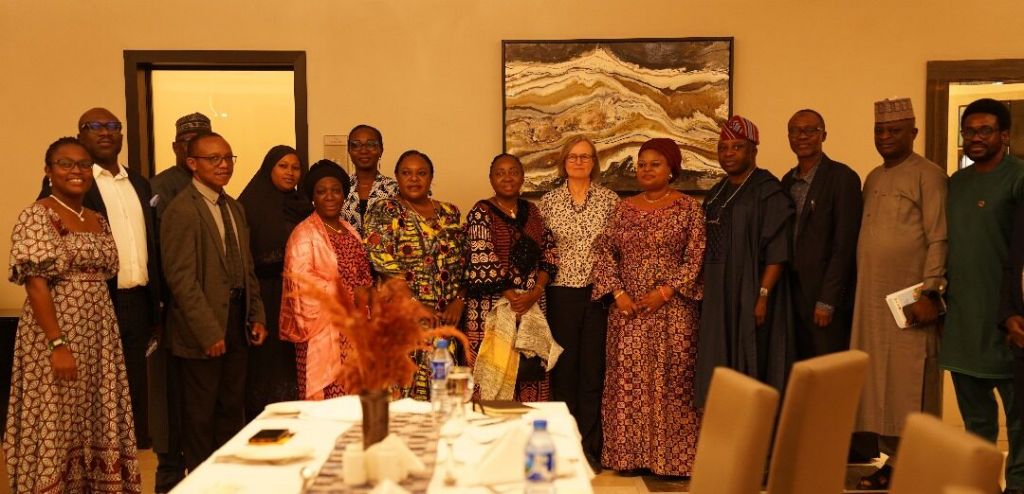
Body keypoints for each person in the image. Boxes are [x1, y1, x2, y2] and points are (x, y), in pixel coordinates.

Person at [6, 137, 141, 491]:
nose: (76, 171)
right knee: (58, 416)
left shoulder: (96, 217)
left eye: (83, 165)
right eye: (65, 164)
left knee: (95, 412)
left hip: (99, 332)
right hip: (56, 330)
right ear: (48, 171)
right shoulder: (38, 214)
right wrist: (57, 343)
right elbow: (36, 284)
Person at [37, 108, 162, 449]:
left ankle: (120, 456)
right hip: (92, 303)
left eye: (113, 126)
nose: (106, 132)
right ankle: (86, 454)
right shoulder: (69, 183)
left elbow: (152, 241)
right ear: (80, 134)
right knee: (88, 389)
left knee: (129, 386)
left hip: (138, 299)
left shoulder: (138, 182)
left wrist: (157, 303)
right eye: (95, 127)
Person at [590, 138, 705, 476]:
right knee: (627, 383)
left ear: (672, 168)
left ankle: (673, 462)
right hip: (628, 313)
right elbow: (603, 253)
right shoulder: (623, 209)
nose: (646, 169)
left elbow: (696, 257)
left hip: (674, 313)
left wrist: (666, 292)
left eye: (655, 163)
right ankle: (629, 459)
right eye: (642, 164)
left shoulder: (688, 208)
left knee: (674, 383)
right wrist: (617, 293)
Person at [852, 98, 948, 490]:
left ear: (914, 133)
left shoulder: (929, 174)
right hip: (873, 302)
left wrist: (932, 290)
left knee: (910, 380)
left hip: (911, 301)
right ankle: (892, 460)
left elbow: (940, 235)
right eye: (880, 131)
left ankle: (915, 462)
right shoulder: (873, 177)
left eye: (894, 130)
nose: (885, 137)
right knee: (880, 382)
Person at [160, 132, 268, 470]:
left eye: (228, 158)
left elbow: (246, 267)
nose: (223, 165)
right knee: (200, 417)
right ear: (192, 163)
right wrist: (209, 332)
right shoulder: (182, 210)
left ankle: (228, 478)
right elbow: (181, 280)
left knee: (231, 410)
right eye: (213, 159)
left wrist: (256, 314)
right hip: (202, 331)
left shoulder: (233, 206)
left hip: (237, 321)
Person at [942, 98, 1024, 494]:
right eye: (969, 131)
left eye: (984, 131)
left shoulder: (1018, 178)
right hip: (962, 324)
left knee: (1020, 420)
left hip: (1009, 322)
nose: (974, 138)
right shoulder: (955, 184)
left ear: (1004, 135)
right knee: (977, 425)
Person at [694, 115, 795, 407]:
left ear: (753, 150)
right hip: (717, 293)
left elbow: (778, 250)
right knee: (718, 359)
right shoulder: (716, 193)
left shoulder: (767, 191)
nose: (728, 154)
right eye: (723, 148)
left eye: (736, 147)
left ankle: (755, 440)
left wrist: (762, 294)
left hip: (750, 290)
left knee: (750, 359)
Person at [538, 135, 618, 470]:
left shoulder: (610, 200)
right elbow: (543, 248)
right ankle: (564, 446)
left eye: (586, 156)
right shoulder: (548, 202)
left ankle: (590, 449)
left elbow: (615, 250)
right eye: (573, 156)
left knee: (593, 372)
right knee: (565, 371)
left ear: (594, 162)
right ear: (564, 161)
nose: (579, 162)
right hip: (561, 294)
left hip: (598, 294)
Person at [364, 150, 466, 400]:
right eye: (406, 173)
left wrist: (459, 300)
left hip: (444, 321)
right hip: (402, 320)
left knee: (443, 398)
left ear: (431, 177)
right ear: (396, 177)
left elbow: (465, 263)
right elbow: (383, 264)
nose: (414, 179)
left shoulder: (449, 213)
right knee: (403, 399)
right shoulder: (384, 210)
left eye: (421, 173)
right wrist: (415, 305)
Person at [149, 111, 211, 492]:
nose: (194, 150)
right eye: (188, 143)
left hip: (209, 313)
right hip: (170, 311)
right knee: (169, 400)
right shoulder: (159, 188)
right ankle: (170, 475)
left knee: (202, 401)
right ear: (177, 147)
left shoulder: (217, 192)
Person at [464, 153, 559, 401]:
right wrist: (513, 297)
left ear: (522, 177)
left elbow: (549, 252)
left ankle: (528, 435)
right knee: (493, 375)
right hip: (491, 309)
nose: (507, 177)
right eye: (500, 172)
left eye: (513, 171)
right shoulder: (481, 212)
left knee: (529, 373)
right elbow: (480, 254)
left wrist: (536, 292)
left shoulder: (533, 212)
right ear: (491, 179)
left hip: (533, 306)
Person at [281, 160, 372, 400]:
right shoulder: (303, 235)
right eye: (321, 192)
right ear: (313, 197)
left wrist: (366, 295)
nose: (329, 197)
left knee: (355, 402)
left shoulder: (349, 230)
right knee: (328, 404)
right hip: (323, 334)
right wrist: (347, 295)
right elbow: (301, 288)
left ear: (344, 195)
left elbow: (363, 274)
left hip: (354, 331)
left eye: (335, 191)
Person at [238, 145, 314, 418]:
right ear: (269, 168)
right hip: (265, 298)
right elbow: (246, 260)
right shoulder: (249, 205)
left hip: (299, 299)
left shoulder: (304, 206)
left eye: (295, 167)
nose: (290, 172)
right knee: (267, 366)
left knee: (294, 364)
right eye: (283, 166)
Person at [780, 109, 862, 360]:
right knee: (799, 373)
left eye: (809, 130)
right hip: (793, 298)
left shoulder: (842, 178)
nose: (801, 136)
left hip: (826, 300)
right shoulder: (786, 182)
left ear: (823, 135)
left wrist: (828, 300)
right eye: (795, 130)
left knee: (828, 373)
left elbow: (844, 245)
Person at [340, 124, 398, 233]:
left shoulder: (394, 189)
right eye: (356, 145)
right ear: (349, 150)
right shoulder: (340, 187)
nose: (363, 150)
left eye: (371, 144)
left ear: (381, 149)